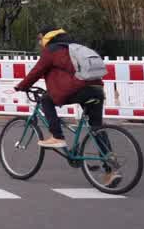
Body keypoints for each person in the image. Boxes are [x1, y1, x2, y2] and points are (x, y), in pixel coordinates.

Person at [13, 24, 107, 153]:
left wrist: (21, 86)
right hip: (97, 89)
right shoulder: (75, 47)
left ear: (47, 37)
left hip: (80, 88)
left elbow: (37, 71)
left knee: (46, 99)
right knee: (97, 128)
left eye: (40, 38)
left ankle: (57, 137)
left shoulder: (51, 50)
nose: (40, 42)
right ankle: (110, 166)